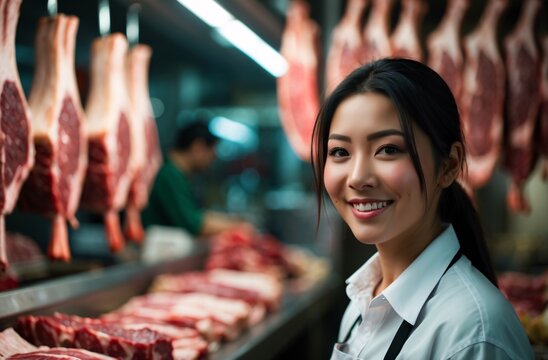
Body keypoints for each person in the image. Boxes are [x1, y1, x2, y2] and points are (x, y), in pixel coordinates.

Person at [311, 58, 534, 359]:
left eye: (388, 149)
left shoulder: (474, 333)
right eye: (340, 152)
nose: (357, 177)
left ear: (449, 165)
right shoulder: (361, 300)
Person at [142, 120, 253, 237]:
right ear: (198, 147)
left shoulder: (174, 172)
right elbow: (194, 224)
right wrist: (239, 226)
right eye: (212, 154)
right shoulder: (169, 174)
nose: (212, 161)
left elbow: (195, 215)